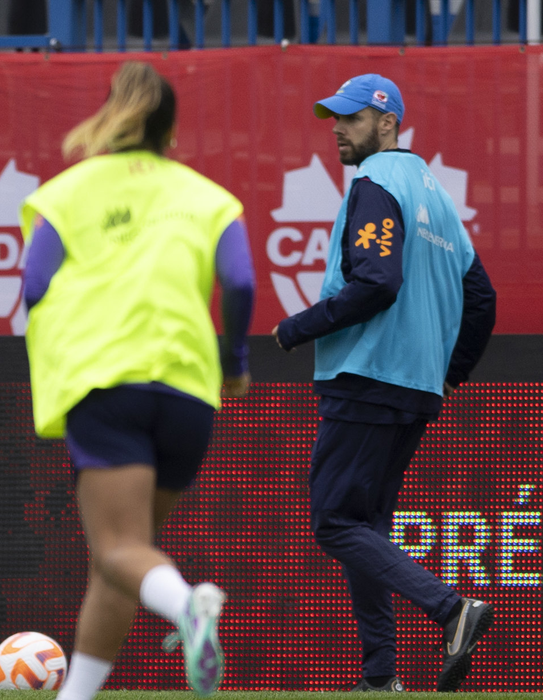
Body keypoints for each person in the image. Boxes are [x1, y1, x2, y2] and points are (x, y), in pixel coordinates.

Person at [19, 61, 256, 699]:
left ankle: (188, 606)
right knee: (123, 556)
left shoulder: (69, 191)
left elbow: (34, 286)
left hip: (107, 379)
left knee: (122, 547)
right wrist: (234, 361)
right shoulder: (209, 197)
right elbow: (239, 282)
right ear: (171, 127)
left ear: (111, 112)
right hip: (188, 390)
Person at [272, 74, 497, 693]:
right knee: (364, 528)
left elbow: (376, 282)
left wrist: (300, 326)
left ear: (387, 121)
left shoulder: (376, 182)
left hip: (366, 375)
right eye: (334, 119)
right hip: (413, 386)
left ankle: (452, 610)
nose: (338, 130)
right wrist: (448, 376)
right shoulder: (440, 198)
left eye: (350, 119)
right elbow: (482, 299)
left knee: (334, 522)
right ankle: (379, 678)